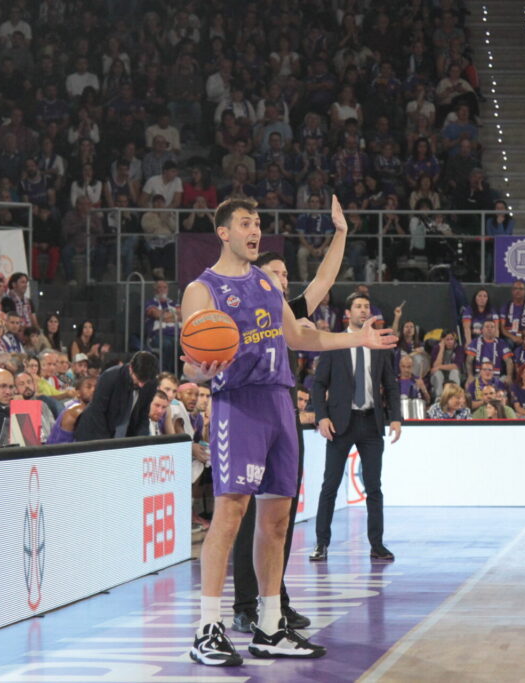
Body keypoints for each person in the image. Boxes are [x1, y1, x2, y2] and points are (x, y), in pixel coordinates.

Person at [179, 198, 395, 667]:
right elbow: (192, 363)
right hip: (239, 404)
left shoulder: (264, 282)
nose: (255, 230)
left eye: (258, 223)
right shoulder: (202, 289)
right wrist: (199, 372)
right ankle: (207, 628)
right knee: (230, 514)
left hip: (279, 402)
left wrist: (356, 339)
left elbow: (298, 336)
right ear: (223, 232)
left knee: (277, 521)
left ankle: (270, 626)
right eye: (245, 223)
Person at [232, 197, 350, 635]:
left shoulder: (289, 312)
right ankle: (245, 605)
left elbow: (324, 279)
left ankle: (275, 600)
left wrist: (341, 233)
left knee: (279, 515)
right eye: (276, 273)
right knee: (248, 517)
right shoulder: (243, 310)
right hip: (248, 412)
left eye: (285, 274)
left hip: (285, 414)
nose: (284, 279)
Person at [310, 289, 403, 558]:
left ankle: (377, 544)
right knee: (330, 485)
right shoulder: (335, 343)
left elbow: (391, 385)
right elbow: (318, 384)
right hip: (340, 424)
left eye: (366, 306)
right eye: (358, 306)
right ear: (348, 313)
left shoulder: (379, 345)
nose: (363, 310)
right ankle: (321, 543)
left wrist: (396, 417)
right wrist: (321, 416)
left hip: (371, 422)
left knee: (374, 487)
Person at [73, 352, 159, 441]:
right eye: (138, 379)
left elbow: (143, 414)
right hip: (93, 431)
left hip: (123, 432)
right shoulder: (110, 377)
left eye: (144, 381)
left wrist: (140, 440)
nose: (141, 385)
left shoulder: (151, 382)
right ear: (131, 368)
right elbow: (98, 412)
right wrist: (107, 444)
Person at [47, 376, 97, 444]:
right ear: (78, 393)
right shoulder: (77, 410)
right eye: (88, 387)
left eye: (96, 387)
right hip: (59, 449)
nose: (93, 390)